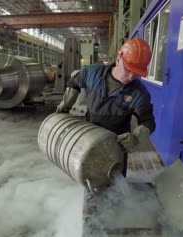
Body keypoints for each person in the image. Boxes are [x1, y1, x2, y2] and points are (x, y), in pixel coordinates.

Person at [56, 38, 156, 177]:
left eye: (137, 73)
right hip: (89, 140)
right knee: (90, 176)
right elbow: (74, 82)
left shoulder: (139, 93)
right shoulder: (92, 73)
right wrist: (66, 104)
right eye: (128, 69)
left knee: (115, 183)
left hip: (116, 148)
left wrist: (136, 136)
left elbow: (148, 122)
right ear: (118, 59)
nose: (131, 76)